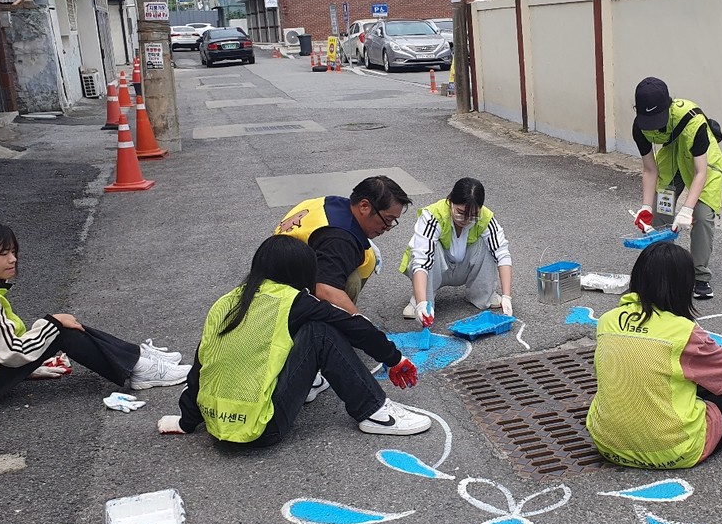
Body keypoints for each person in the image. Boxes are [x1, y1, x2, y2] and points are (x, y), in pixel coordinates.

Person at [156, 235, 431, 445]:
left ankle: (311, 382)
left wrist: (187, 421)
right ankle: (374, 411)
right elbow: (353, 326)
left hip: (216, 423)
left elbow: (202, 364)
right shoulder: (293, 300)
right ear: (301, 272)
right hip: (262, 428)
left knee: (281, 337)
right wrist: (394, 358)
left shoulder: (227, 302)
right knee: (320, 332)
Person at [585, 242, 722, 469]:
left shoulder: (607, 320)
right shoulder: (684, 332)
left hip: (607, 444)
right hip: (672, 450)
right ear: (683, 285)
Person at [0, 210, 189, 412]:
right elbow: (11, 353)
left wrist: (28, 366)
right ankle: (138, 368)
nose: (13, 259)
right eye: (3, 254)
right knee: (61, 331)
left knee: (58, 327)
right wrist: (51, 323)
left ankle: (135, 357)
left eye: (14, 251)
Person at [630, 77, 722, 300]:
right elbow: (650, 170)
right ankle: (663, 271)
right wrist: (645, 208)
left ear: (669, 105)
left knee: (702, 216)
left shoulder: (694, 121)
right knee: (660, 214)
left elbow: (700, 172)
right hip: (672, 160)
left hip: (703, 163)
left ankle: (700, 277)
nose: (653, 125)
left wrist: (687, 209)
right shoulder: (639, 127)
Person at [274, 175, 411, 316]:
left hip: (277, 266)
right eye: (388, 219)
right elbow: (325, 289)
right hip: (284, 297)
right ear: (364, 206)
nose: (388, 227)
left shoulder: (335, 204)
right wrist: (361, 323)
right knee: (352, 281)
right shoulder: (341, 240)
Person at [399, 178, 512, 327]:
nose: (466, 220)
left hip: (463, 267)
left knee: (490, 245)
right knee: (428, 249)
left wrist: (506, 296)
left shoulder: (485, 217)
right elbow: (421, 261)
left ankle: (483, 294)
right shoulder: (433, 215)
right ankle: (422, 299)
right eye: (461, 213)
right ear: (450, 201)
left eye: (473, 215)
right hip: (437, 268)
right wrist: (421, 303)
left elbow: (502, 254)